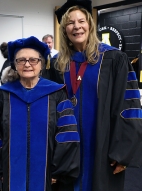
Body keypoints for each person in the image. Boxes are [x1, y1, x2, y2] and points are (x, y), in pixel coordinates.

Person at [47, 0, 142, 190]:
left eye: (81, 21)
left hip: (103, 144)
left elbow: (129, 107)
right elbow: (49, 109)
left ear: (90, 24)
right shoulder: (57, 64)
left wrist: (123, 152)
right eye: (70, 23)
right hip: (67, 147)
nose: (77, 27)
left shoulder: (114, 59)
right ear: (65, 29)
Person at [0, 36, 80, 191]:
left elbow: (67, 134)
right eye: (21, 60)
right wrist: (0, 168)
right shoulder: (3, 95)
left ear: (42, 64)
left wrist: (57, 170)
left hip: (48, 175)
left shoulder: (57, 93)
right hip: (10, 174)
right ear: (14, 64)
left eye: (33, 60)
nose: (27, 64)